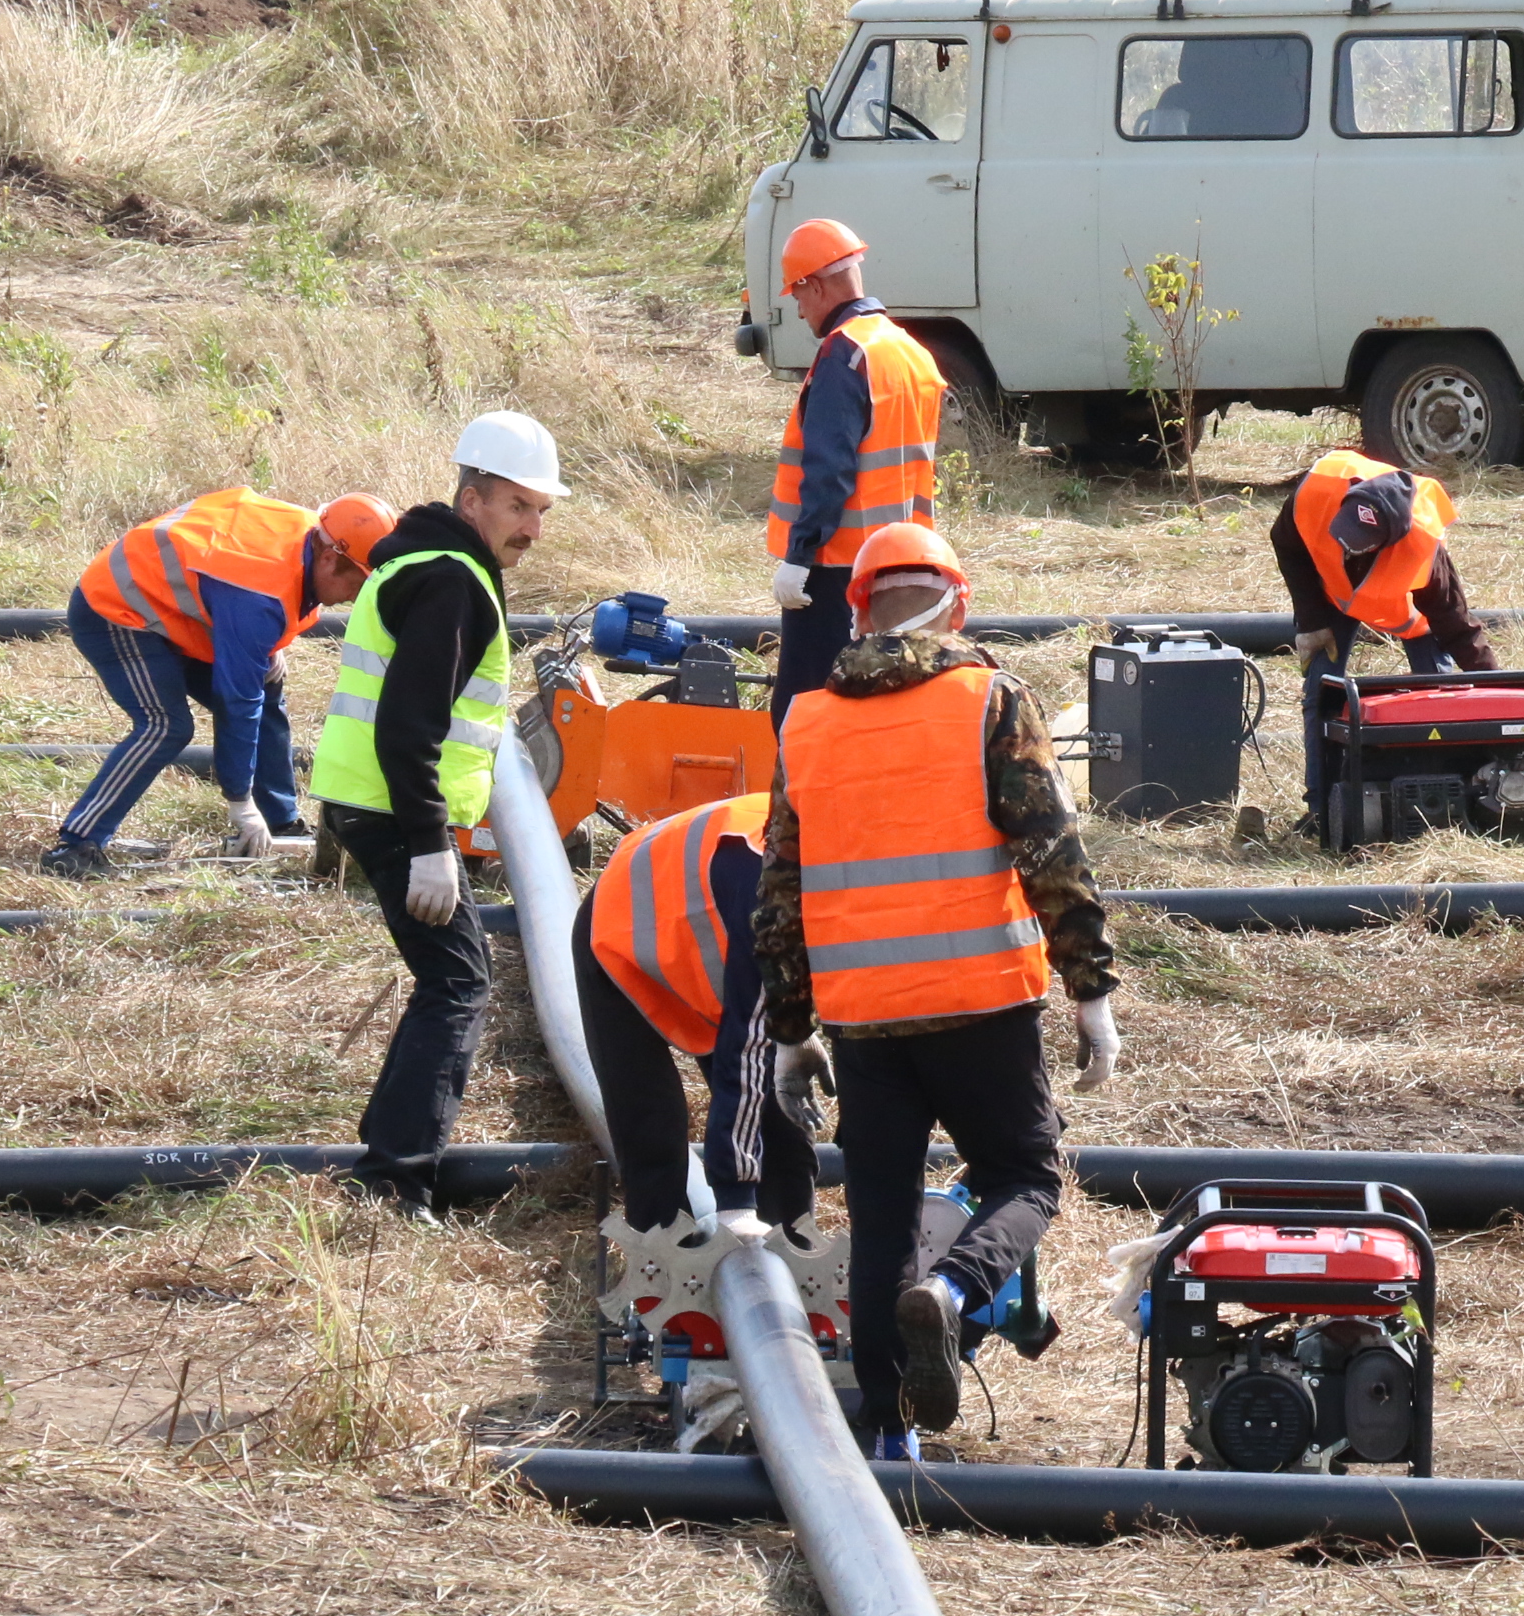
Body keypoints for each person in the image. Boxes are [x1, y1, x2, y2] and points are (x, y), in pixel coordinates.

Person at [753, 522, 1120, 1459]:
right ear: (958, 604)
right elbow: (1052, 850)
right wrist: (1091, 989)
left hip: (863, 1022)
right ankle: (954, 1292)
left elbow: (779, 893)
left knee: (878, 1217)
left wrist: (790, 1030)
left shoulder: (805, 721)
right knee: (1025, 1177)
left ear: (855, 609)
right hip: (981, 1004)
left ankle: (889, 1435)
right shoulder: (990, 698)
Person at [306, 412, 566, 1214]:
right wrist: (428, 843)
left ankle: (391, 1158)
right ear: (473, 498)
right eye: (518, 507)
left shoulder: (421, 561)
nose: (531, 528)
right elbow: (408, 724)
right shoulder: (451, 580)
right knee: (458, 980)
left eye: (540, 512)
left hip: (369, 800)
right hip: (393, 810)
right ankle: (394, 1180)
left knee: (449, 977)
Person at [46, 488, 395, 880]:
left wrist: (260, 643)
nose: (353, 598)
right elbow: (237, 699)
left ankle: (282, 823)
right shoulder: (259, 596)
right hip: (118, 605)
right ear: (331, 560)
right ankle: (75, 845)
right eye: (357, 586)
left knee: (268, 685)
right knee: (167, 725)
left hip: (180, 609)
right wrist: (238, 800)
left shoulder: (320, 532)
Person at [572, 790, 818, 1238]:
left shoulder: (857, 871)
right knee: (653, 1129)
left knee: (783, 1125)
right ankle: (662, 1274)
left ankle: (797, 1266)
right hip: (620, 930)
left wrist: (798, 1029)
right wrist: (735, 1201)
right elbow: (745, 1048)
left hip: (705, 947)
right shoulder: (778, 891)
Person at [764, 219, 945, 725]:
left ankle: (802, 807)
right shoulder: (909, 351)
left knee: (803, 713)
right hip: (907, 563)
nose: (798, 310)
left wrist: (800, 556)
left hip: (836, 571)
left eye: (797, 296)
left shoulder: (845, 353)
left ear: (815, 285)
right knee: (885, 707)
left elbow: (828, 470)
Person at [1269, 447, 1500, 825]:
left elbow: (1457, 625)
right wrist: (1311, 621)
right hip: (1332, 599)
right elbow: (1287, 543)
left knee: (1440, 694)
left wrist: (1498, 690)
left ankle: (1443, 798)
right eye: (1345, 536)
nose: (1345, 547)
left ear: (1391, 538)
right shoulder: (1316, 493)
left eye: (1359, 544)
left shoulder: (1423, 551)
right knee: (1320, 695)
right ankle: (1322, 807)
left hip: (1408, 616)